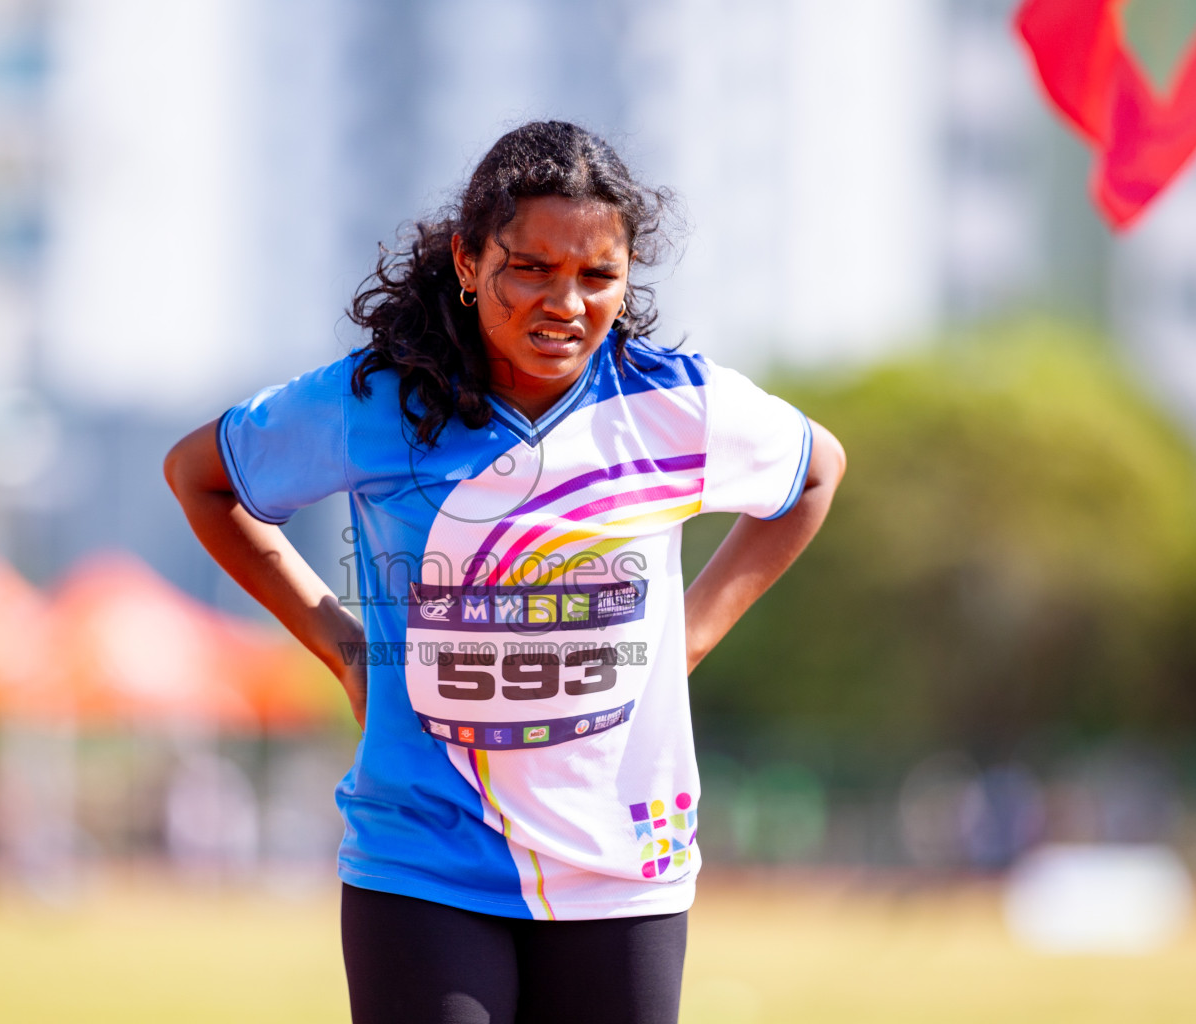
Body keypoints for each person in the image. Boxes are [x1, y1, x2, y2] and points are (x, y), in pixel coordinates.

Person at [165, 121, 845, 1024]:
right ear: (468, 259)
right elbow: (202, 478)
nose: (565, 301)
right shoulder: (375, 402)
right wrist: (345, 648)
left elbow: (815, 473)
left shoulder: (680, 409)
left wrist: (688, 637)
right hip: (425, 861)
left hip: (624, 870)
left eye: (598, 275)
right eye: (530, 267)